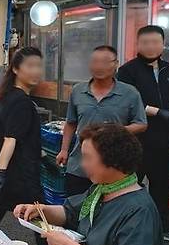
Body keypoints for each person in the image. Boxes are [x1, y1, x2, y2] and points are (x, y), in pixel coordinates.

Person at [13, 123, 163, 245]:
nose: (82, 164)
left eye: (87, 157)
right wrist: (40, 210)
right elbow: (70, 213)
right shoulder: (102, 190)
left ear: (113, 160)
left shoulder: (139, 211)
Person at [0, 47, 57, 245]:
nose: (36, 71)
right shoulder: (20, 101)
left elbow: (18, 138)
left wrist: (40, 154)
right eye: (30, 66)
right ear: (15, 69)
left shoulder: (9, 96)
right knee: (40, 220)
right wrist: (1, 173)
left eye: (39, 66)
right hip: (19, 175)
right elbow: (10, 139)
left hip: (6, 173)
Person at [117, 25, 169, 243]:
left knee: (162, 185)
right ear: (138, 45)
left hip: (164, 139)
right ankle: (124, 227)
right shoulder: (127, 71)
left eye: (155, 42)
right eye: (145, 42)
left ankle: (162, 226)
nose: (151, 46)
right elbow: (130, 102)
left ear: (163, 44)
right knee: (128, 184)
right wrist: (159, 113)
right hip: (136, 140)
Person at [56, 46, 147, 196]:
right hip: (80, 165)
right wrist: (64, 150)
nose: (99, 66)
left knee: (108, 213)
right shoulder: (78, 90)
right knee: (74, 209)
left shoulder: (130, 93)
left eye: (105, 62)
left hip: (113, 167)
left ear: (116, 64)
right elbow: (71, 122)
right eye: (95, 62)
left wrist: (114, 131)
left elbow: (142, 124)